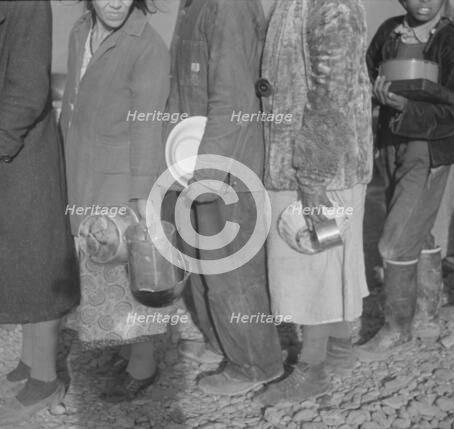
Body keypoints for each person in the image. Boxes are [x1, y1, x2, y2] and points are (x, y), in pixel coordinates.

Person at [0, 1, 80, 426]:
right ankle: (28, 365)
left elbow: (27, 88)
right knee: (19, 261)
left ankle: (45, 380)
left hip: (17, 157)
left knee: (35, 263)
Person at [254, 0, 372, 403]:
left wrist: (314, 178)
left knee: (314, 268)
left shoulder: (332, 7)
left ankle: (312, 368)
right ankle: (338, 347)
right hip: (306, 166)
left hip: (319, 171)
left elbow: (331, 95)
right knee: (325, 262)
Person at [164, 0, 284, 396]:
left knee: (232, 272)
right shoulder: (193, 6)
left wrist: (208, 172)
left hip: (226, 166)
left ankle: (256, 362)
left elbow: (232, 101)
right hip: (194, 160)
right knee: (204, 266)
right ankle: (222, 344)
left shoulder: (228, 8)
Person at [59, 0, 170, 402]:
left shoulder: (148, 46)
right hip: (82, 170)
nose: (115, 1)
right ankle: (124, 347)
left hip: (120, 178)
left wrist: (141, 196)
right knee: (96, 270)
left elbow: (148, 125)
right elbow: (70, 103)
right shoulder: (78, 32)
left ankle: (143, 367)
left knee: (125, 275)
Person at [357, 0, 454, 360]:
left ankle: (397, 328)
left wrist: (408, 106)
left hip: (430, 148)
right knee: (417, 228)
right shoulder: (389, 33)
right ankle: (427, 311)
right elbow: (363, 76)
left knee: (395, 240)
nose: (423, 1)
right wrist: (378, 98)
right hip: (392, 141)